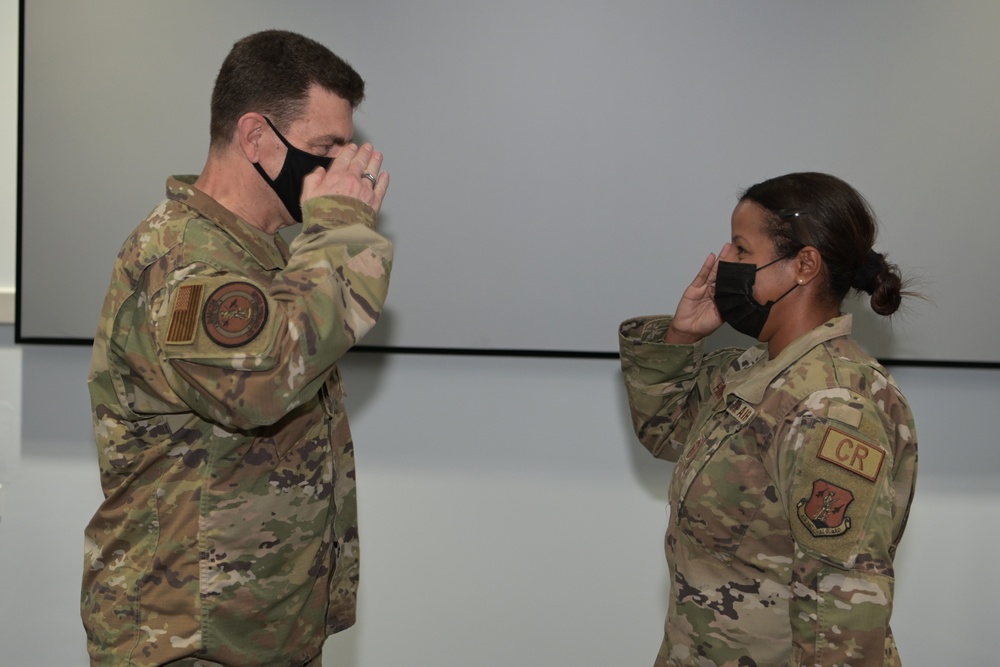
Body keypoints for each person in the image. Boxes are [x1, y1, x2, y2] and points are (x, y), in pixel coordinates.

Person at [82, 30, 393, 667]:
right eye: (323, 148)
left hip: (258, 630)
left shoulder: (261, 255)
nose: (339, 169)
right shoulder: (185, 260)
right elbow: (263, 384)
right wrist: (341, 228)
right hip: (187, 637)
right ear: (255, 139)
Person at [619, 172, 918, 666]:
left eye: (740, 249)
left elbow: (837, 611)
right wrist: (680, 338)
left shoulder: (832, 406)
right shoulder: (754, 371)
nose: (722, 264)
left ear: (803, 265)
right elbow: (665, 432)